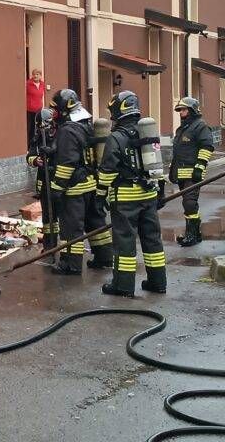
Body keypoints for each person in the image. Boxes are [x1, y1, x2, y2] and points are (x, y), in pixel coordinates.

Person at [98, 91, 166, 297]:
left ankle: (123, 285)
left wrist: (100, 194)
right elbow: (156, 164)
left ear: (119, 111)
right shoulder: (147, 131)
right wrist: (159, 191)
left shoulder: (116, 137)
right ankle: (158, 282)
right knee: (152, 240)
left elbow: (107, 171)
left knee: (125, 242)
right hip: (149, 195)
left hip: (126, 198)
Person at [48, 89, 113, 274]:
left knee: (71, 228)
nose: (53, 113)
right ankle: (104, 257)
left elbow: (67, 163)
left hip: (74, 189)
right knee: (96, 223)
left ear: (64, 109)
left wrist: (56, 188)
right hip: (90, 184)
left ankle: (71, 264)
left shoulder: (68, 130)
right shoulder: (85, 125)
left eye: (55, 109)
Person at [170, 97, 214, 247]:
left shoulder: (200, 126)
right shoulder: (183, 128)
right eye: (180, 110)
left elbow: (207, 147)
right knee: (187, 204)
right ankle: (195, 233)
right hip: (182, 174)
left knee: (190, 203)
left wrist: (199, 168)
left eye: (184, 109)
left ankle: (192, 235)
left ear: (192, 110)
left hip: (193, 173)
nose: (181, 112)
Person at [26, 108, 59, 252]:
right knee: (48, 217)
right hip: (44, 181)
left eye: (43, 125)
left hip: (58, 178)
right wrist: (36, 160)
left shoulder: (61, 134)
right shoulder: (37, 138)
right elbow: (30, 156)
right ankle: (49, 245)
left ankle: (64, 247)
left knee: (62, 213)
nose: (42, 129)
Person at [26, 69, 46, 144]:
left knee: (39, 127)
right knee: (31, 128)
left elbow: (41, 96)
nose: (35, 76)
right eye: (34, 74)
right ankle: (29, 145)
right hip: (30, 110)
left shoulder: (42, 84)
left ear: (40, 76)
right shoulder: (28, 84)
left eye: (37, 74)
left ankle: (39, 143)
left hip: (39, 109)